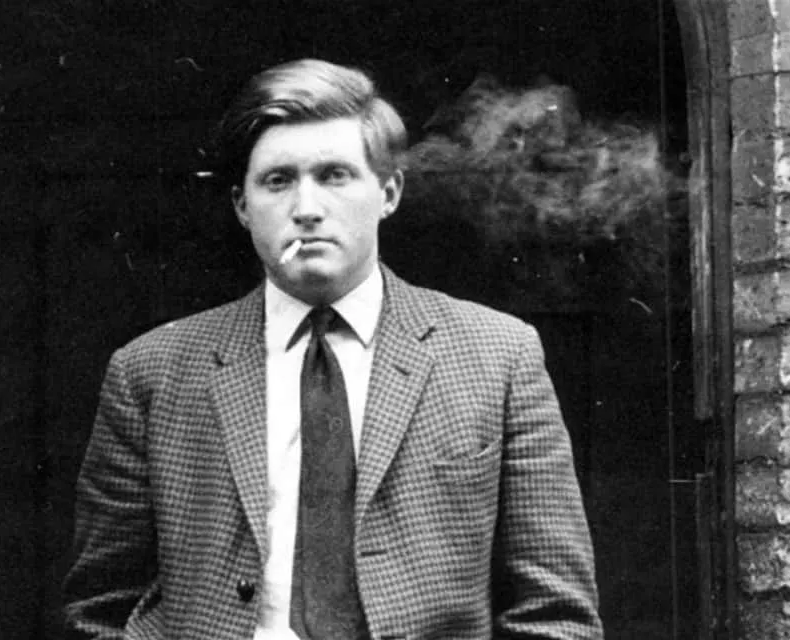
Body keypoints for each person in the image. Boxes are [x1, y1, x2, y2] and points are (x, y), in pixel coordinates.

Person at [62, 58, 602, 640]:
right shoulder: (150, 372)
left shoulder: (498, 357)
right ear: (242, 206)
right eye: (278, 180)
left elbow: (556, 616)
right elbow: (101, 611)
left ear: (388, 192)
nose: (306, 208)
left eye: (335, 175)